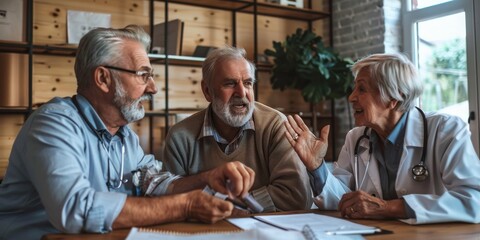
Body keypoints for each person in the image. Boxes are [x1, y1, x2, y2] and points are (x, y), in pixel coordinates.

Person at [0, 25, 255, 239]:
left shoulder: (124, 136)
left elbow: (153, 182)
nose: (153, 88)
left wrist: (207, 178)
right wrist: (186, 205)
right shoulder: (53, 124)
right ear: (103, 79)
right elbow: (75, 209)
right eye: (143, 75)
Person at [285, 53, 480, 224]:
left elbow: (474, 200)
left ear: (394, 98)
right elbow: (342, 201)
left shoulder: (445, 130)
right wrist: (316, 166)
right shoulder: (356, 138)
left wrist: (388, 208)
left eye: (362, 89)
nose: (351, 97)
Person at [162, 46, 312, 212]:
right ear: (207, 91)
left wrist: (223, 203)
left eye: (248, 83)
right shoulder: (180, 137)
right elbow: (170, 198)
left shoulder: (276, 125)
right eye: (230, 83)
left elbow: (296, 197)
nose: (241, 93)